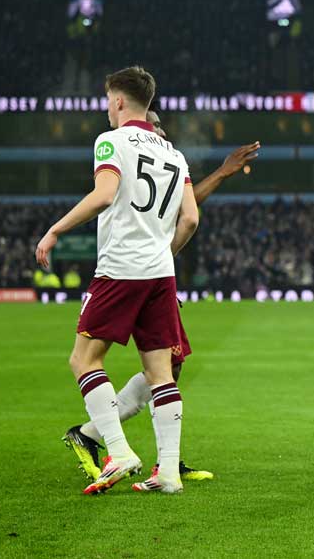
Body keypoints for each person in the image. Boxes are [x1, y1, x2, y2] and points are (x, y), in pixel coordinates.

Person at [62, 109, 261, 483]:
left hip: (153, 274)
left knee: (172, 364)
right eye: (156, 125)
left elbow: (183, 211)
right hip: (138, 271)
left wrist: (220, 173)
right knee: (157, 367)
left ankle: (120, 444)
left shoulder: (158, 160)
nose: (161, 131)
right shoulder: (136, 157)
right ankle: (139, 453)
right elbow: (184, 215)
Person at [37, 66, 198, 494]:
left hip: (121, 268)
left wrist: (55, 229)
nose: (107, 107)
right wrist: (164, 252)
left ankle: (118, 450)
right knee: (161, 373)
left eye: (109, 99)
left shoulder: (111, 141)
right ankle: (166, 474)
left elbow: (105, 194)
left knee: (84, 360)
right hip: (161, 272)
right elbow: (191, 218)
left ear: (120, 101)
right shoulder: (173, 153)